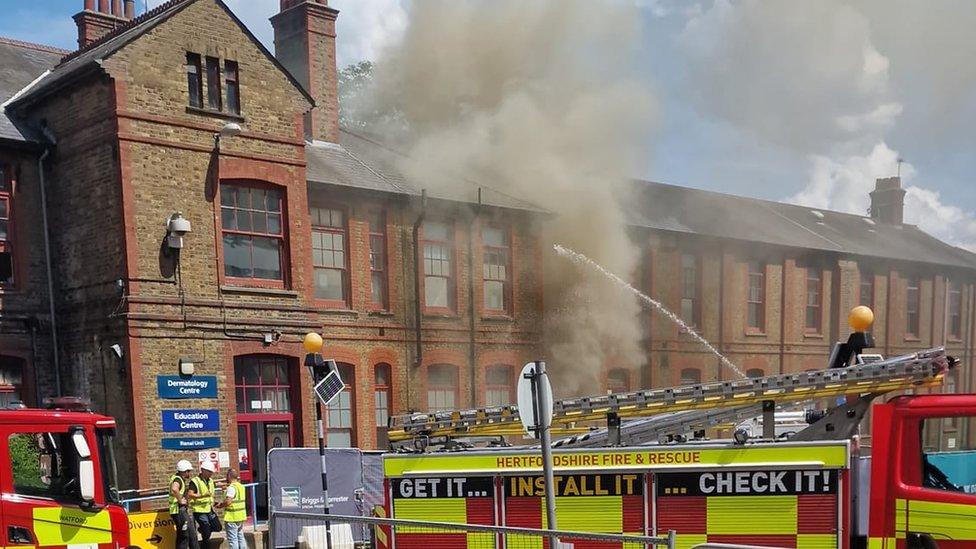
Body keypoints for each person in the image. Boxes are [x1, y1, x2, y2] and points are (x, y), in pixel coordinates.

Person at [169, 460, 198, 549]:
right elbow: (174, 489)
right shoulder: (178, 479)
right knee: (186, 535)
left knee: (185, 535)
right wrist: (180, 500)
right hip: (179, 510)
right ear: (185, 471)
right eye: (189, 471)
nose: (189, 473)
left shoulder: (177, 478)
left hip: (179, 511)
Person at [188, 461, 218, 549]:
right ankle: (205, 545)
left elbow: (213, 489)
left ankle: (202, 530)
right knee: (206, 532)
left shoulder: (210, 481)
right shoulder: (195, 481)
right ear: (203, 470)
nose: (211, 474)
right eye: (209, 472)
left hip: (209, 508)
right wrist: (203, 496)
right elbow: (190, 494)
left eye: (211, 472)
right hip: (199, 509)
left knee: (217, 527)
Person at [218, 469, 247, 549]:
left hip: (232, 517)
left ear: (229, 476)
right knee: (240, 537)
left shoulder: (231, 488)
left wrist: (220, 505)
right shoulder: (241, 486)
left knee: (233, 540)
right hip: (240, 516)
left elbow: (228, 502)